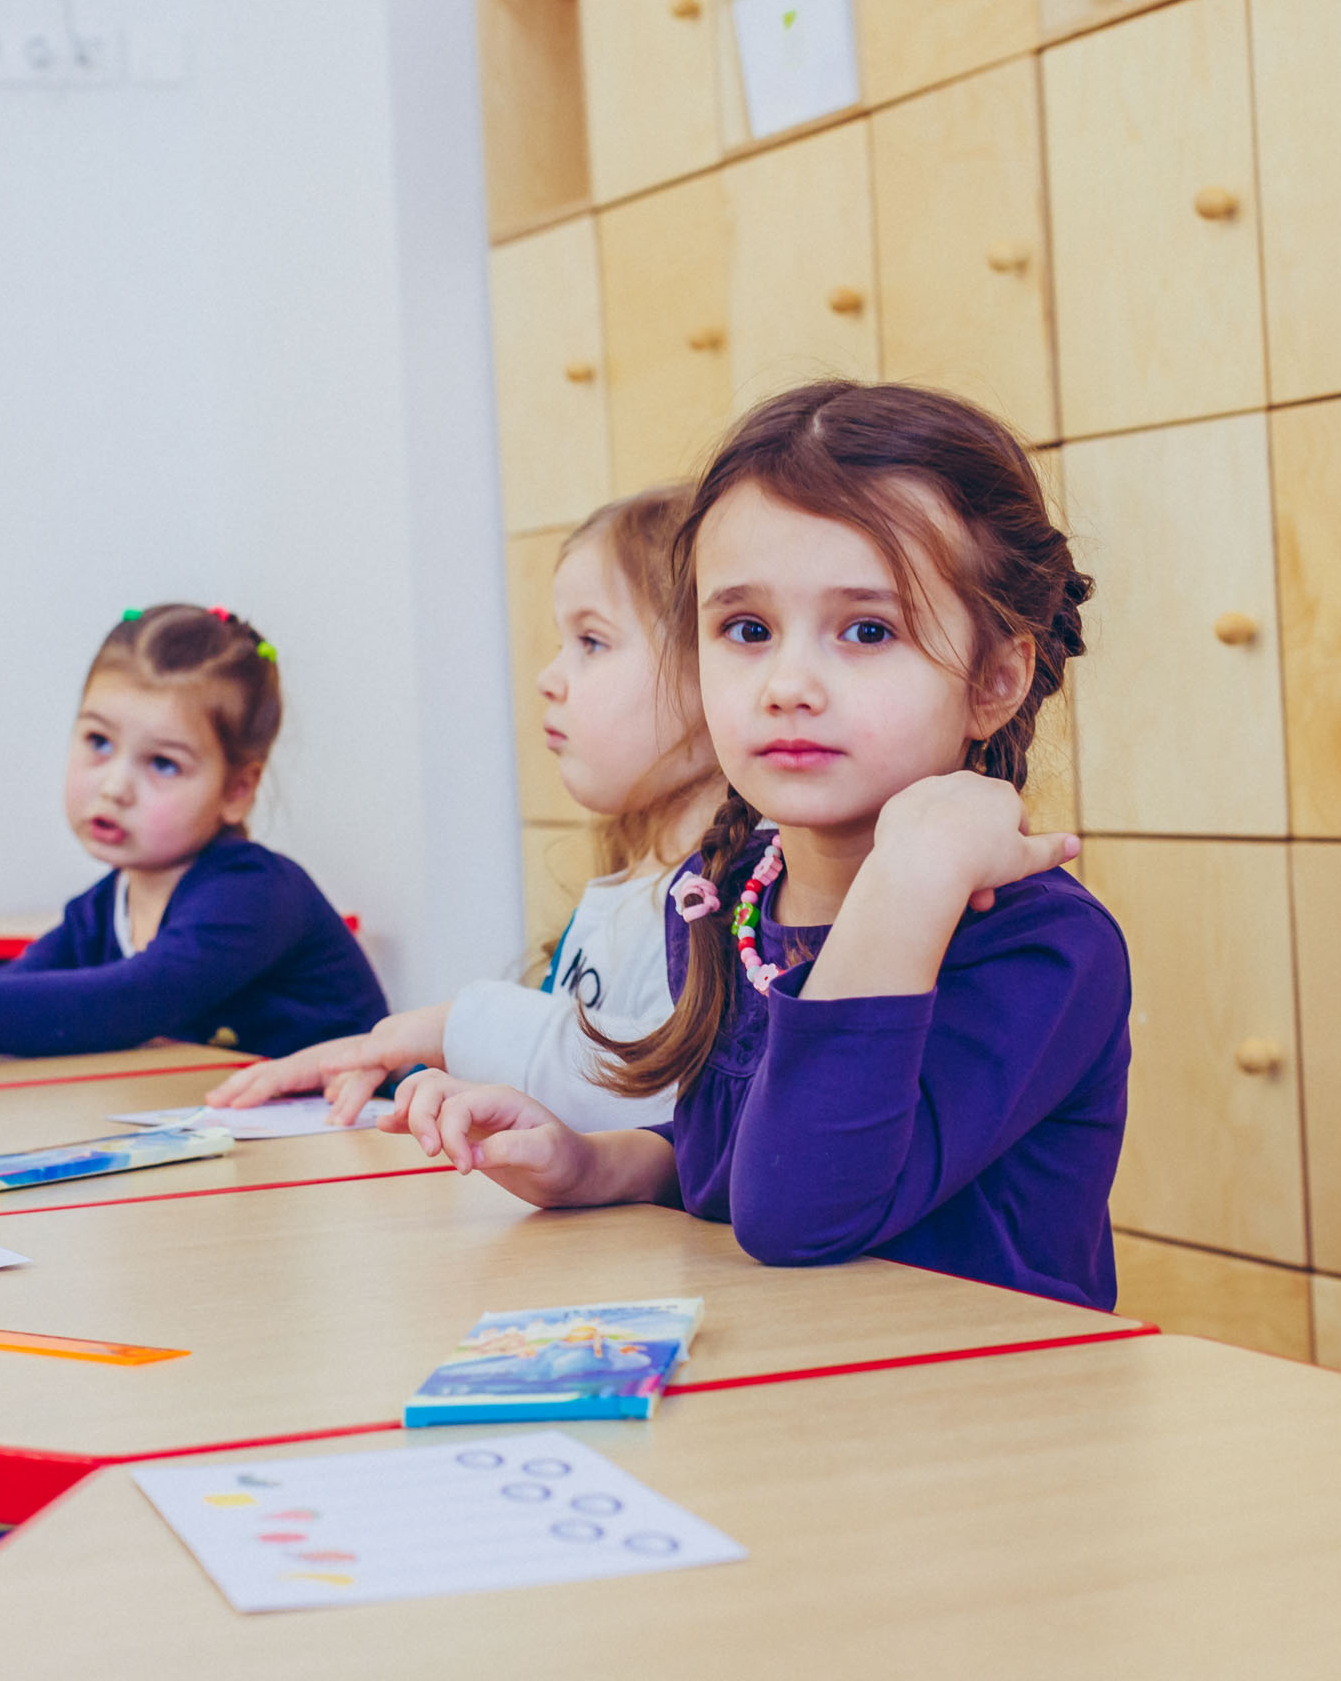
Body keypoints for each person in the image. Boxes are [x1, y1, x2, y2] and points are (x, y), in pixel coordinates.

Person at [382, 382, 1128, 1309]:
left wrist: (910, 875)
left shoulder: (1043, 947)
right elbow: (731, 1163)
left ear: (996, 680)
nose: (787, 683)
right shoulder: (726, 894)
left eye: (867, 630)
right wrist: (596, 1166)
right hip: (789, 1395)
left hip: (980, 1419)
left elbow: (800, 1213)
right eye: (746, 630)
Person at [207, 486, 722, 1129]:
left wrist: (441, 1031)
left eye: (591, 641)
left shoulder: (722, 906)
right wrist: (405, 1068)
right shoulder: (627, 888)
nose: (549, 677)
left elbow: (674, 1094)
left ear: (716, 670)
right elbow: (551, 1082)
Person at [0, 603, 386, 1075]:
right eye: (99, 743)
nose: (116, 786)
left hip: (359, 1153)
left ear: (237, 789)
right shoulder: (108, 906)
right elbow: (19, 991)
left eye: (164, 764)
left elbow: (126, 1001)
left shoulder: (252, 894)